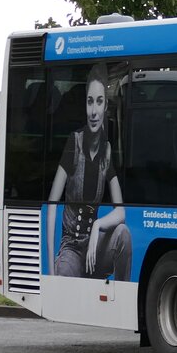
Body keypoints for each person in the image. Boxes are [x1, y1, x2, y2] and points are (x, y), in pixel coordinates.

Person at [47, 64, 132, 280]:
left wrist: (97, 225)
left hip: (95, 248)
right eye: (90, 101)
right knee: (64, 274)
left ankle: (121, 304)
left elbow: (121, 212)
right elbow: (52, 204)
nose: (94, 111)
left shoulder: (107, 151)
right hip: (72, 248)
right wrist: (50, 271)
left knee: (123, 234)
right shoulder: (73, 144)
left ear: (105, 106)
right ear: (86, 104)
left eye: (100, 101)